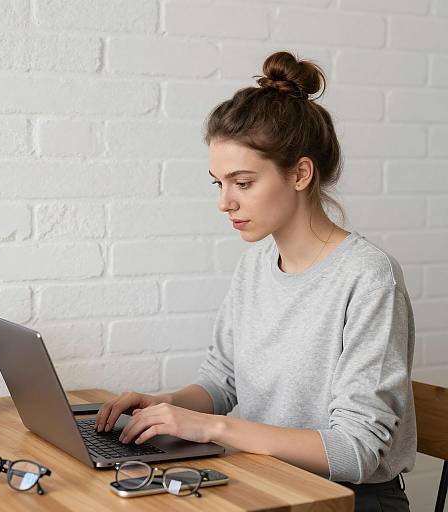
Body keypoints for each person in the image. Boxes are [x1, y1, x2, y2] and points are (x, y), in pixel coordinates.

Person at [95, 51, 415, 512]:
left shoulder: (368, 277)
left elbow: (357, 452)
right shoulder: (257, 265)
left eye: (242, 183)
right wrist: (164, 406)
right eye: (218, 183)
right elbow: (223, 382)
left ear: (300, 173)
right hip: (263, 482)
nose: (225, 202)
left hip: (346, 500)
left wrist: (210, 428)